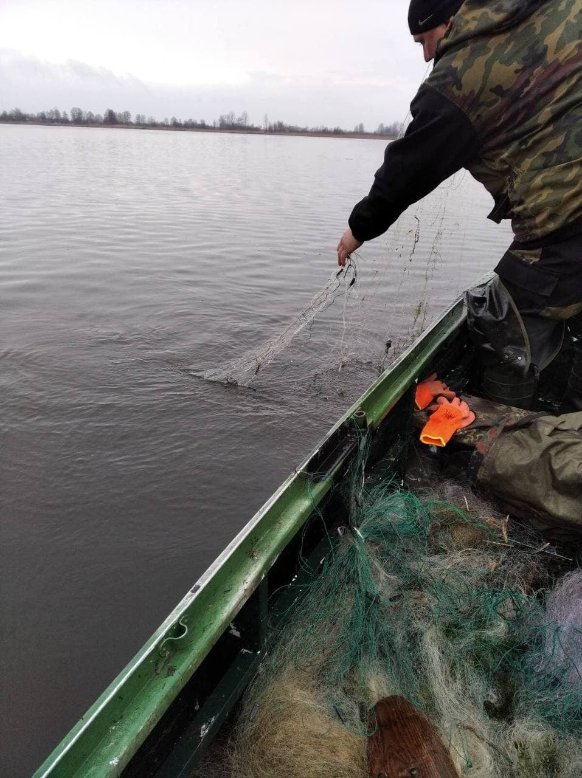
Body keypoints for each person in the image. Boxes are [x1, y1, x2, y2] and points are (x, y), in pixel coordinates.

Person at [337, 0, 582, 410]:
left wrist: (358, 229)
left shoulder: (457, 80)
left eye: (426, 40)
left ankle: (497, 434)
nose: (427, 54)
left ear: (449, 21)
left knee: (502, 318)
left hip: (566, 217)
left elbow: (410, 168)